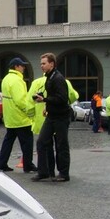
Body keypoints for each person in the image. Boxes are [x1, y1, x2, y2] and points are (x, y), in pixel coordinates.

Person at [28, 77, 79, 177]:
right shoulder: (64, 81)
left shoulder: (36, 83)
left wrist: (31, 116)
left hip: (41, 120)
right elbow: (73, 96)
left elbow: (29, 101)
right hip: (58, 117)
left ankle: (47, 171)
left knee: (45, 145)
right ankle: (62, 172)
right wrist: (66, 102)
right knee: (60, 144)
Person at [32, 52, 70, 182]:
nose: (41, 66)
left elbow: (62, 98)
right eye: (41, 63)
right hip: (52, 115)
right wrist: (45, 105)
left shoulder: (58, 78)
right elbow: (53, 96)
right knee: (41, 141)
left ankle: (64, 174)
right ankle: (44, 172)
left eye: (44, 63)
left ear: (52, 64)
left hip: (61, 116)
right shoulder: (49, 76)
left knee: (61, 144)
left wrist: (45, 99)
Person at [0, 57, 37, 173]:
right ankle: (28, 165)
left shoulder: (6, 79)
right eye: (22, 65)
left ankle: (1, 164)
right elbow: (20, 100)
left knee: (8, 142)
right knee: (27, 143)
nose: (23, 67)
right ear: (16, 67)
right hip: (21, 118)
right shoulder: (17, 80)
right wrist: (29, 111)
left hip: (10, 118)